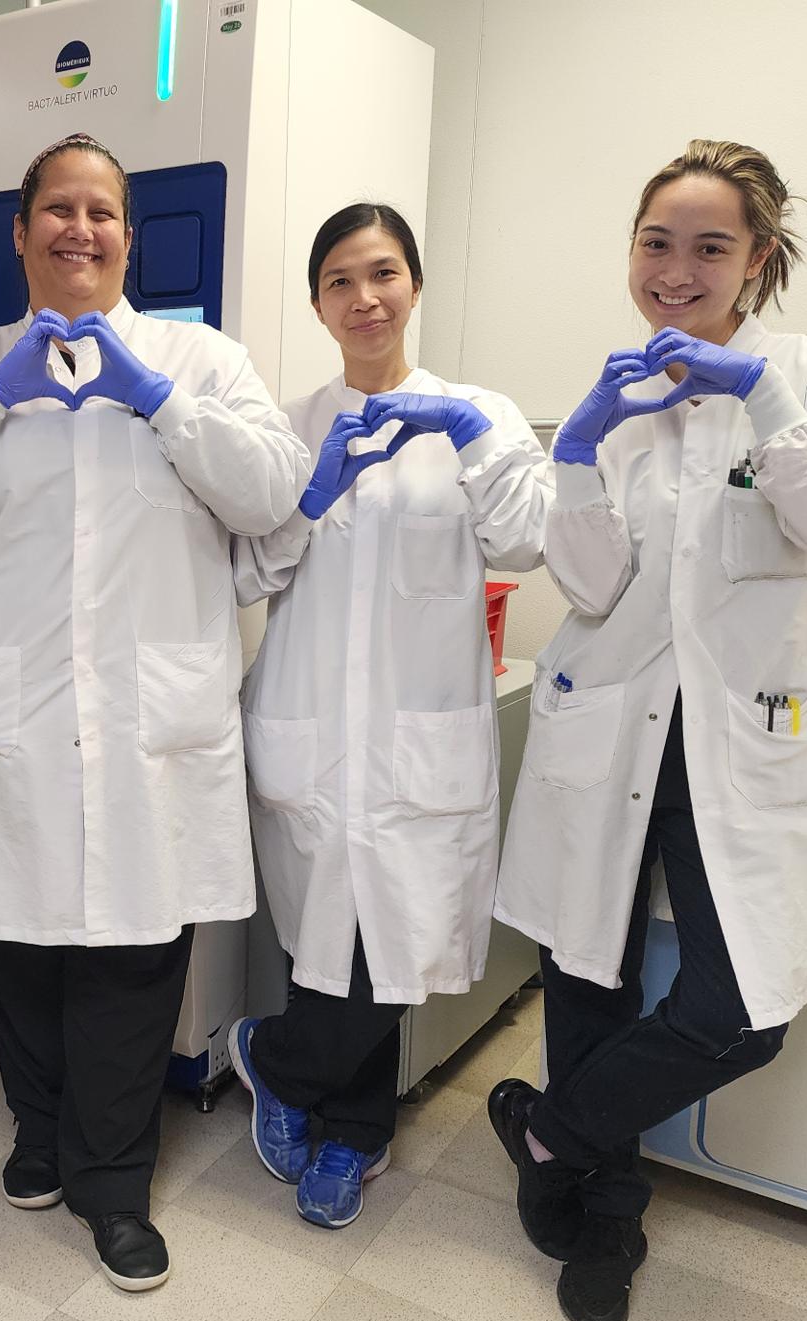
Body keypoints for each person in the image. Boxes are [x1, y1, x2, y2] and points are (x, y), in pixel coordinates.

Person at [0, 133, 309, 1290]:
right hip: (13, 719)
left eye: (102, 211)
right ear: (19, 234)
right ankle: (39, 1132)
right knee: (18, 946)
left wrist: (161, 403)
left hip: (148, 726)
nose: (80, 228)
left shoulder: (201, 359)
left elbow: (271, 491)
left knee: (129, 958)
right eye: (56, 210)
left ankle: (113, 1186)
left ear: (127, 235)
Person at [489, 140, 807, 1321]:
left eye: (709, 246)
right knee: (586, 977)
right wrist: (576, 451)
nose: (676, 270)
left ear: (758, 260)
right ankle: (606, 1209)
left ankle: (549, 1131)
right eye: (656, 243)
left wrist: (757, 397)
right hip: (613, 729)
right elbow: (593, 582)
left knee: (743, 1009)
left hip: (744, 748)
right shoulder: (620, 398)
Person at [228, 203, 551, 1230]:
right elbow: (249, 567)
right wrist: (307, 498)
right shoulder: (285, 425)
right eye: (339, 281)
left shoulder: (480, 411)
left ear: (413, 283)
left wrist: (477, 450)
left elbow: (524, 544)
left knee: (397, 948)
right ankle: (348, 1136)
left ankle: (273, 1060)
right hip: (311, 724)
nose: (364, 298)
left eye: (383, 274)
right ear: (317, 301)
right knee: (326, 942)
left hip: (420, 729)